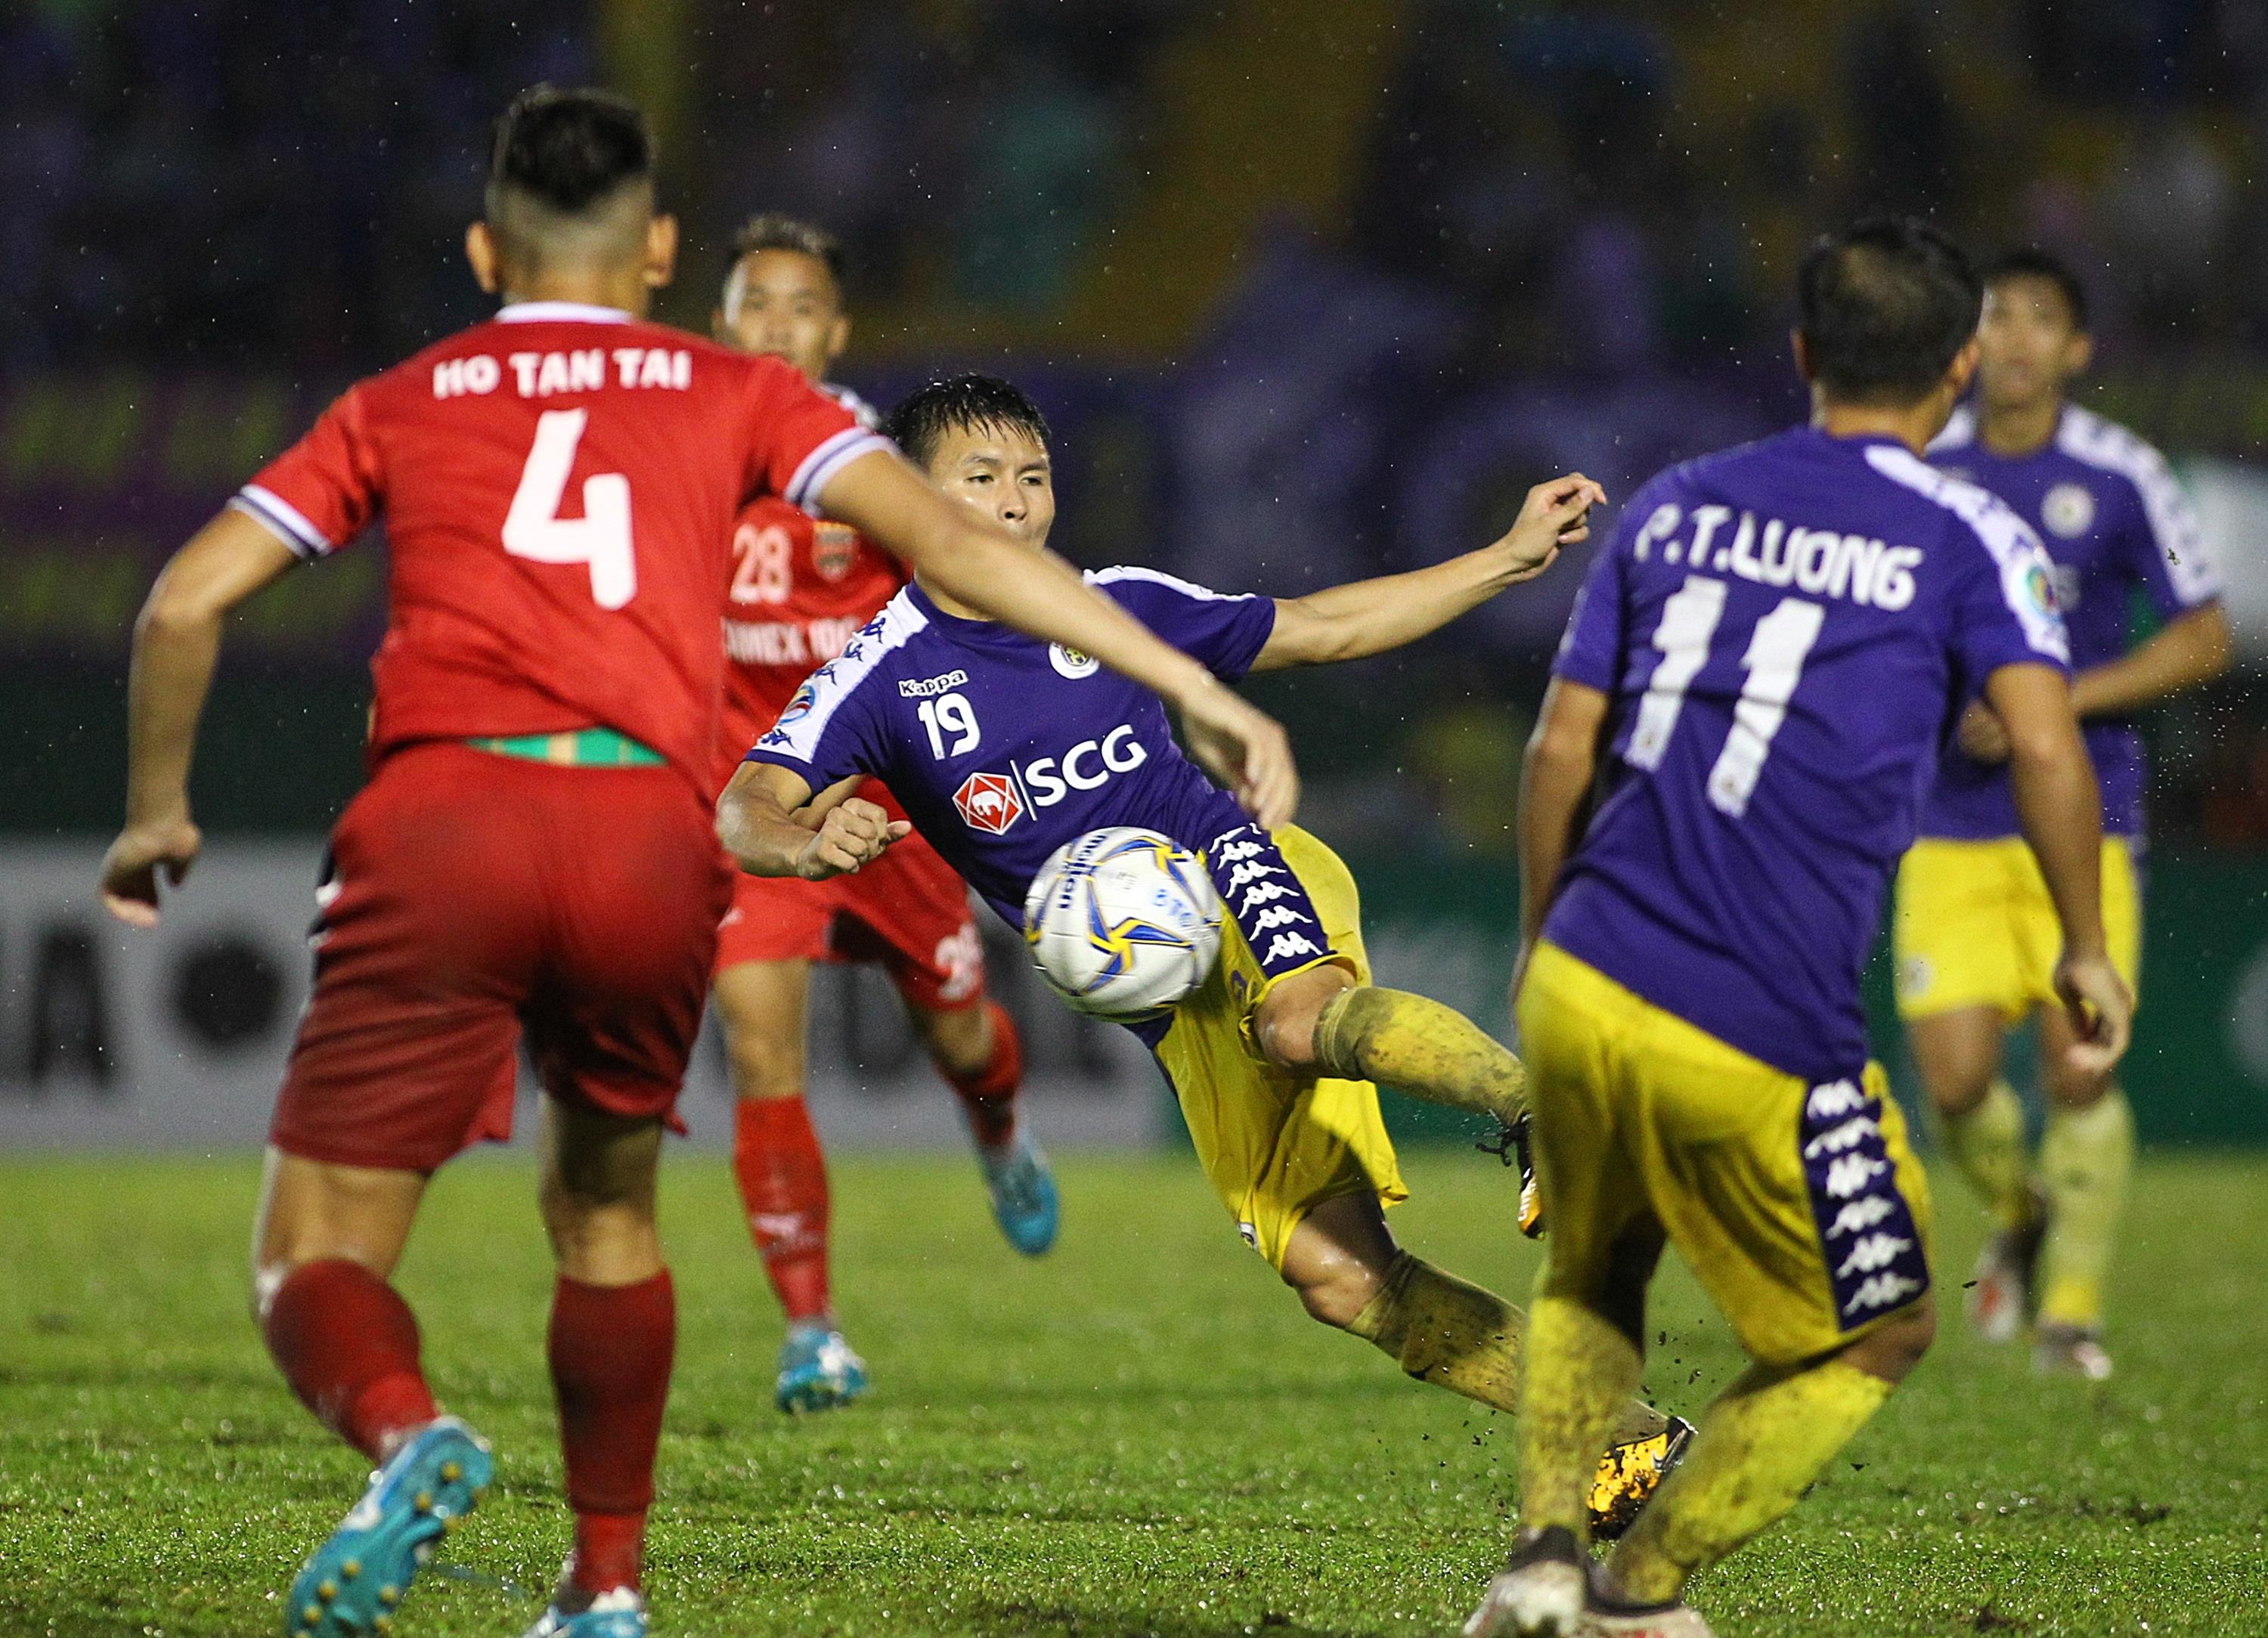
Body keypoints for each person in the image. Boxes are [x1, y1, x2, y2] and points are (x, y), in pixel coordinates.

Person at [94, 89, 1300, 1638]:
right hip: (654, 832)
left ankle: (407, 1430)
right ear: (663, 253)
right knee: (608, 1215)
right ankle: (609, 1583)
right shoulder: (736, 395)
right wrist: (1192, 681)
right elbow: (963, 548)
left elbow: (183, 605)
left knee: (314, 1253)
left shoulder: (405, 397)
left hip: (457, 814)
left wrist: (157, 813)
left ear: (484, 252)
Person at [717, 373, 1694, 1540]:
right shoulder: (880, 677)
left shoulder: (1113, 604)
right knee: (1338, 1277)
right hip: (1167, 1006)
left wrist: (1506, 559)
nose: (1017, 504)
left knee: (1297, 1019)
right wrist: (805, 841)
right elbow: (745, 805)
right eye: (981, 479)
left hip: (1236, 862)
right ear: (906, 501)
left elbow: (1320, 626)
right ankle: (1623, 1434)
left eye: (1034, 478)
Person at [1479, 220, 2133, 1638]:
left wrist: (1539, 939)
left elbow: (1559, 747)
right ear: (1958, 370)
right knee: (1883, 1328)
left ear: (1803, 354)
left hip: (1585, 963)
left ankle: (1537, 1561)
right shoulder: (1971, 536)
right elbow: (2046, 745)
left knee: (1596, 1260)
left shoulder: (1679, 502)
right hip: (1757, 1004)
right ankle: (1637, 1594)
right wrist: (2086, 946)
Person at [706, 215, 1056, 1417]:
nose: (778, 328)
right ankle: (812, 1332)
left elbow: (964, 600)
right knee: (760, 1046)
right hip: (758, 802)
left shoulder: (873, 466)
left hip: (890, 799)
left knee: (961, 1038)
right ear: (721, 324)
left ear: (837, 330)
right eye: (757, 305)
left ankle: (1000, 1134)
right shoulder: (678, 465)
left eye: (801, 307)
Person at [1898, 248, 2229, 1379]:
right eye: (1997, 317)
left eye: (2042, 319)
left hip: (2085, 813)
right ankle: (2022, 1212)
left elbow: (2204, 636)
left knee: (2080, 1066)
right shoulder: (1925, 466)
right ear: (1967, 344)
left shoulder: (2124, 473)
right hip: (1945, 819)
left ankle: (2070, 1320)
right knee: (1953, 1084)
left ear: (2078, 349)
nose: (2017, 339)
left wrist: (2054, 700)